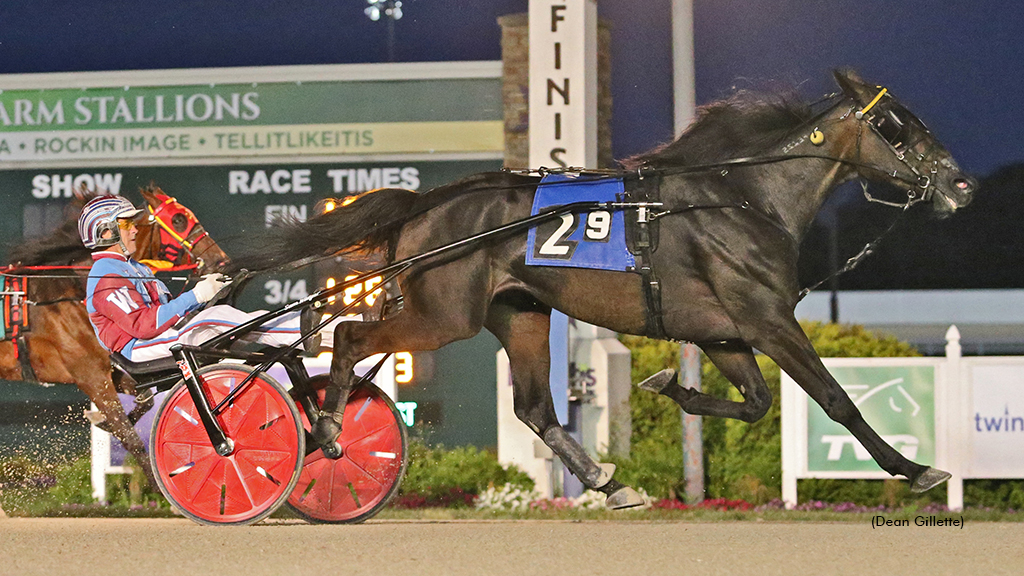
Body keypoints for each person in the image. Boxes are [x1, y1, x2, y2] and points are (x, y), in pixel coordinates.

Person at [80, 195, 313, 362]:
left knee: (229, 319)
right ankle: (296, 331)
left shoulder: (134, 267)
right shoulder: (107, 275)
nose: (135, 230)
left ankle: (294, 326)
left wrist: (208, 293)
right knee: (213, 320)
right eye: (127, 224)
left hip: (156, 336)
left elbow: (165, 310)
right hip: (137, 347)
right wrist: (196, 295)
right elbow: (144, 325)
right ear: (106, 233)